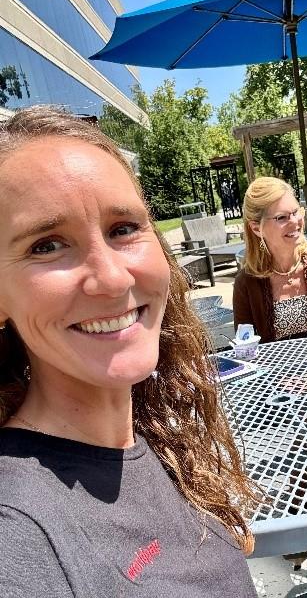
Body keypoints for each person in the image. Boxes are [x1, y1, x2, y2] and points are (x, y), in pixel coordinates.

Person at [0, 106, 258, 597]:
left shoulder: (155, 434)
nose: (113, 278)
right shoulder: (17, 532)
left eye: (123, 229)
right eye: (47, 245)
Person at [233, 176, 307, 343]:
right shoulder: (245, 283)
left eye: (296, 212)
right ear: (257, 228)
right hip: (272, 369)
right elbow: (247, 349)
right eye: (281, 217)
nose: (295, 222)